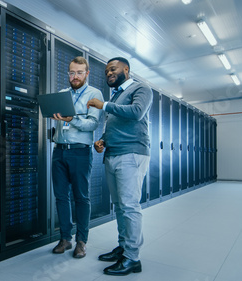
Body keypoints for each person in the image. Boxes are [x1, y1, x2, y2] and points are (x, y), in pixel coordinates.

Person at [87, 57, 152, 275]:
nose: (108, 74)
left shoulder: (141, 88)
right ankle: (124, 247)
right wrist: (103, 139)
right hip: (113, 154)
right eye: (106, 72)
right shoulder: (116, 96)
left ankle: (133, 258)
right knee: (120, 205)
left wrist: (103, 105)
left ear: (126, 69)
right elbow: (114, 123)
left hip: (131, 153)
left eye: (112, 69)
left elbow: (136, 113)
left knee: (130, 206)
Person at [50, 56, 103, 258]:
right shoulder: (62, 94)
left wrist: (72, 120)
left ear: (86, 74)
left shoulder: (94, 94)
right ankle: (65, 239)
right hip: (59, 150)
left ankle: (81, 241)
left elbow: (92, 124)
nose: (75, 76)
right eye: (72, 72)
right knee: (61, 196)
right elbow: (57, 118)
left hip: (80, 151)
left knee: (81, 197)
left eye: (79, 72)